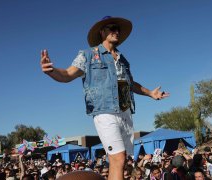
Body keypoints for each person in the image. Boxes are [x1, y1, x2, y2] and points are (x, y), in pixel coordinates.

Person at [40, 16, 169, 180]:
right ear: (102, 32)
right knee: (118, 157)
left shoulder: (123, 60)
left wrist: (150, 93)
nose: (116, 31)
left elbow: (131, 84)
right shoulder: (88, 55)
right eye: (111, 28)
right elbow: (67, 75)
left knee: (122, 161)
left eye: (118, 29)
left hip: (125, 111)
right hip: (105, 111)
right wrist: (51, 71)